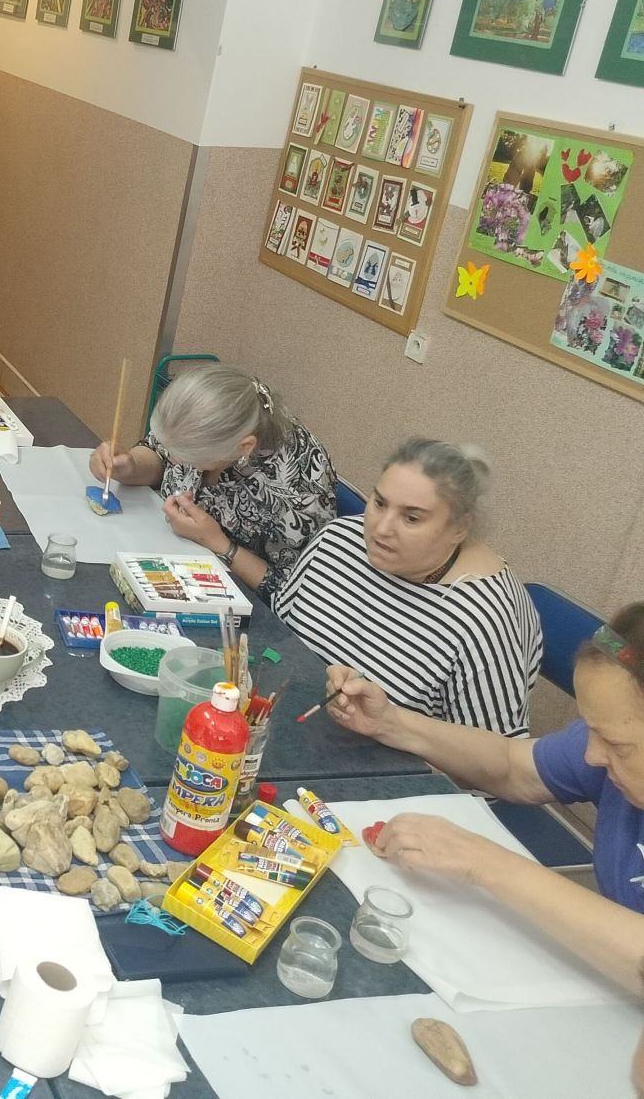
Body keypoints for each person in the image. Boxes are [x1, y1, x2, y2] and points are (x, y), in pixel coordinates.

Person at [325, 602, 644, 995]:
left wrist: (485, 863)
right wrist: (390, 723)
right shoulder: (610, 738)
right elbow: (511, 766)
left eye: (617, 745)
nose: (591, 756)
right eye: (589, 730)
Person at [274, 438, 541, 736]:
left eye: (411, 518)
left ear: (459, 529)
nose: (381, 528)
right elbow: (276, 636)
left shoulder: (484, 619)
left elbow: (493, 756)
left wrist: (390, 726)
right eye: (379, 503)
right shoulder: (336, 541)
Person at [88, 364, 336, 596]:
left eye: (187, 454)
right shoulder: (206, 418)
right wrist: (131, 467)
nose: (175, 459)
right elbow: (160, 456)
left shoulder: (299, 490)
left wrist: (218, 544)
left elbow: (292, 593)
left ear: (244, 447)